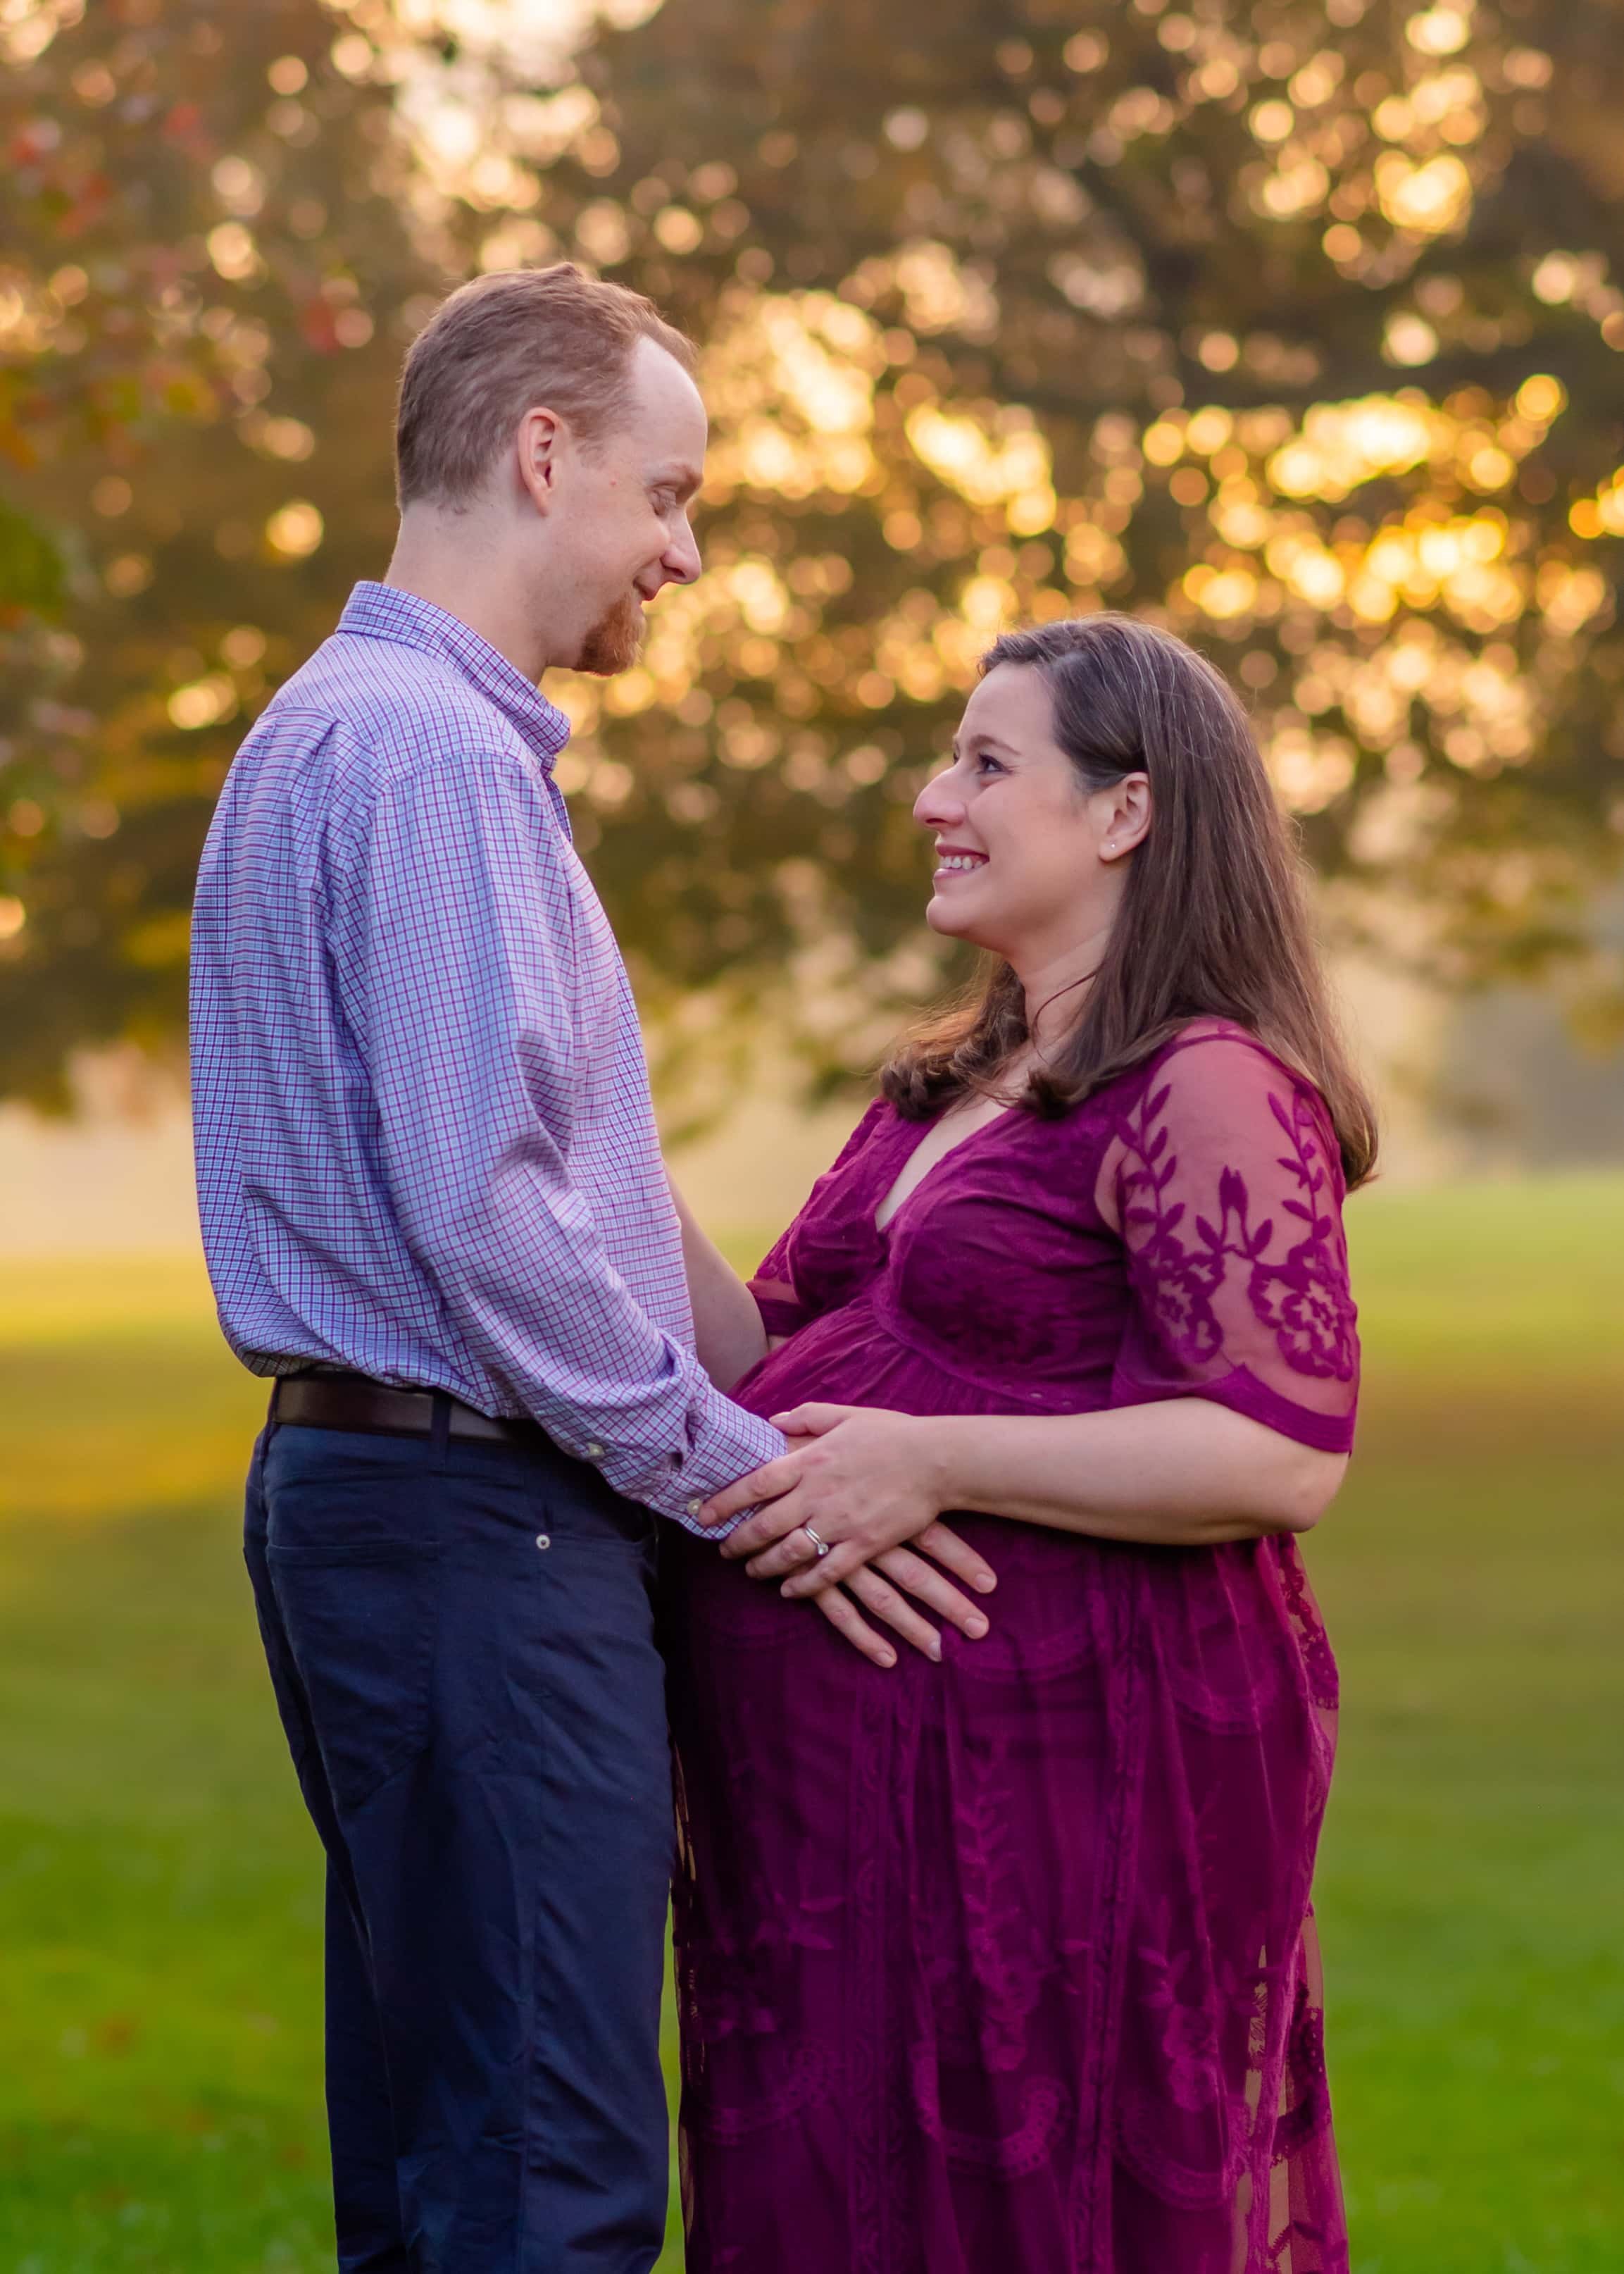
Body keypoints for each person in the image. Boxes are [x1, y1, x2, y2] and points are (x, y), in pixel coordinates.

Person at [189, 264, 989, 2274]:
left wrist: (812, 1339)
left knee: (440, 2153)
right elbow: (487, 1209)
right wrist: (725, 1466)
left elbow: (554, 1179)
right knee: (548, 2180)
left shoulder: (329, 728)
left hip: (377, 1503)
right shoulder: (437, 761)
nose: (686, 552)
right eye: (668, 492)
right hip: (482, 1521)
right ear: (543, 456)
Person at [662, 614, 1375, 2274]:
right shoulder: (954, 1082)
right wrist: (593, 1148)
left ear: (1125, 813)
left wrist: (934, 1462)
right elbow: (766, 1353)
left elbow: (1280, 1450)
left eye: (987, 765)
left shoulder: (1201, 1082)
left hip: (1070, 1803)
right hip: (840, 1834)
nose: (934, 799)